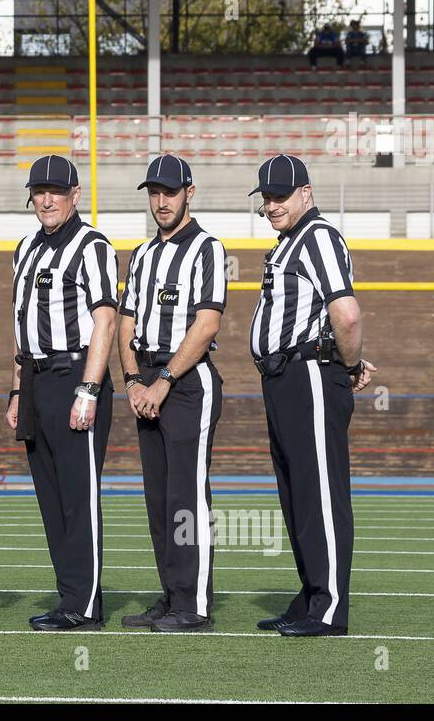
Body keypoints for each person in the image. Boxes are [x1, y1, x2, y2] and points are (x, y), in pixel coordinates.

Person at [249, 154, 377, 636]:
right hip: (285, 378)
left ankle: (328, 607)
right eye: (266, 198)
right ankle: (310, 595)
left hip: (308, 377)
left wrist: (345, 366)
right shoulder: (290, 242)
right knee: (297, 493)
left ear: (306, 192)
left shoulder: (318, 236)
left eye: (281, 195)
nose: (273, 205)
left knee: (319, 491)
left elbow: (346, 315)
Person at [6, 155, 118, 632]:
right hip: (34, 379)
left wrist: (89, 389)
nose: (46, 199)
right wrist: (15, 389)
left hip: (74, 375)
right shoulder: (26, 246)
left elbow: (105, 320)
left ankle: (84, 604)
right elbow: (20, 322)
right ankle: (69, 594)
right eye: (39, 191)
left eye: (56, 190)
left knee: (78, 496)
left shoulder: (92, 245)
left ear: (75, 194)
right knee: (50, 498)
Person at [117, 155, 227, 633]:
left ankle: (193, 603)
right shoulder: (142, 255)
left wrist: (162, 381)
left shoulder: (207, 249)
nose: (162, 201)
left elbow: (207, 325)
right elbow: (125, 324)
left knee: (185, 497)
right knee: (159, 500)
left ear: (189, 192)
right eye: (154, 193)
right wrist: (133, 381)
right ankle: (170, 594)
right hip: (146, 383)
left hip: (186, 383)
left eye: (170, 192)